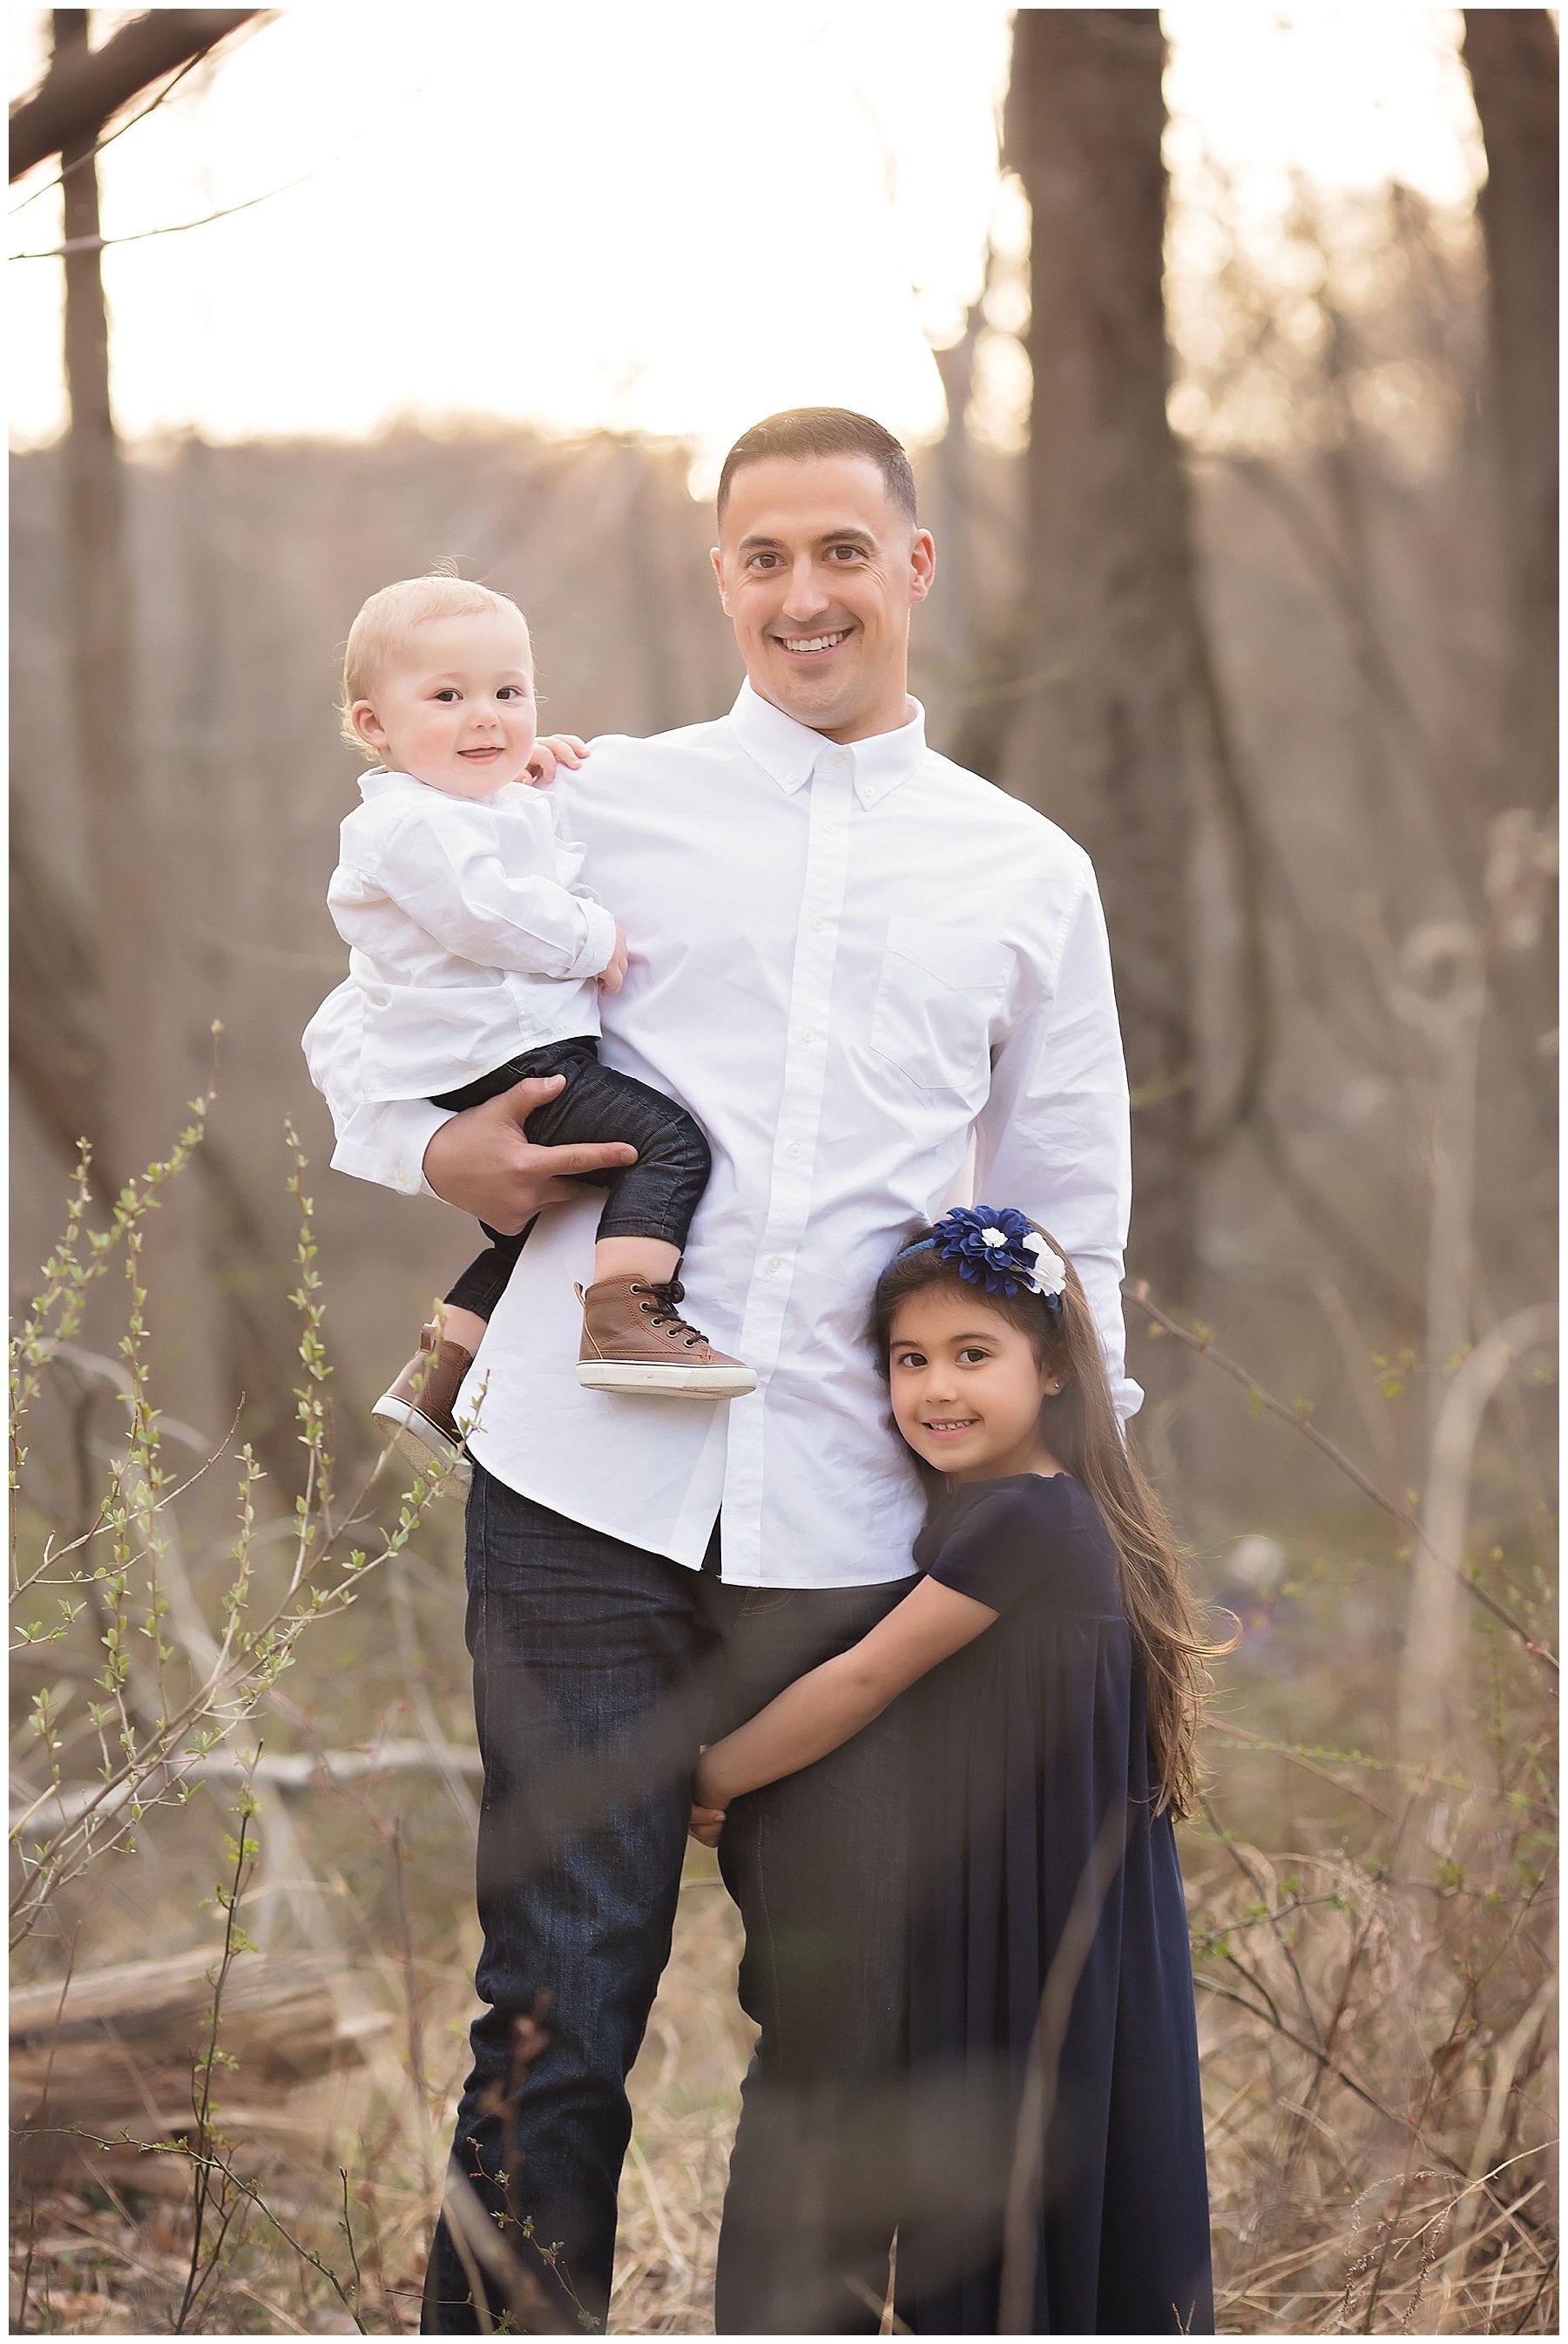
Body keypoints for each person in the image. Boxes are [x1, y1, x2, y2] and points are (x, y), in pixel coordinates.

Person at [301, 407, 1141, 2335]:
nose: (803, 593)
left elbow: (1065, 1212)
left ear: (912, 567)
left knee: (846, 2025)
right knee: (558, 2013)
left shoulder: (1026, 872)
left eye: (842, 550)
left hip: (850, 1518)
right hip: (581, 1495)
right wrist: (450, 1158)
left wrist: (1067, 1513)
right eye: (763, 557)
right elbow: (371, 1028)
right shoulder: (582, 801)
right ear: (721, 581)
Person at [690, 1204, 1222, 2334]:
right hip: (1020, 1894)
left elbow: (865, 1679)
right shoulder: (1014, 1514)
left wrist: (715, 1772)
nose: (936, 1387)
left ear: (1060, 1368)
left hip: (1031, 1915)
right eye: (909, 1360)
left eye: (974, 1356)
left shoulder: (1028, 1520)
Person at [324, 570, 754, 1481]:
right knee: (667, 1144)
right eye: (448, 697)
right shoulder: (408, 828)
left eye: (508, 693)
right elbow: (486, 910)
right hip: (503, 1059)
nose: (486, 717)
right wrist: (591, 936)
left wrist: (521, 769)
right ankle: (629, 1316)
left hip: (497, 1053)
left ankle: (440, 1371)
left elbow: (504, 836)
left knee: (528, 1232)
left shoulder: (457, 804)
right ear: (374, 726)